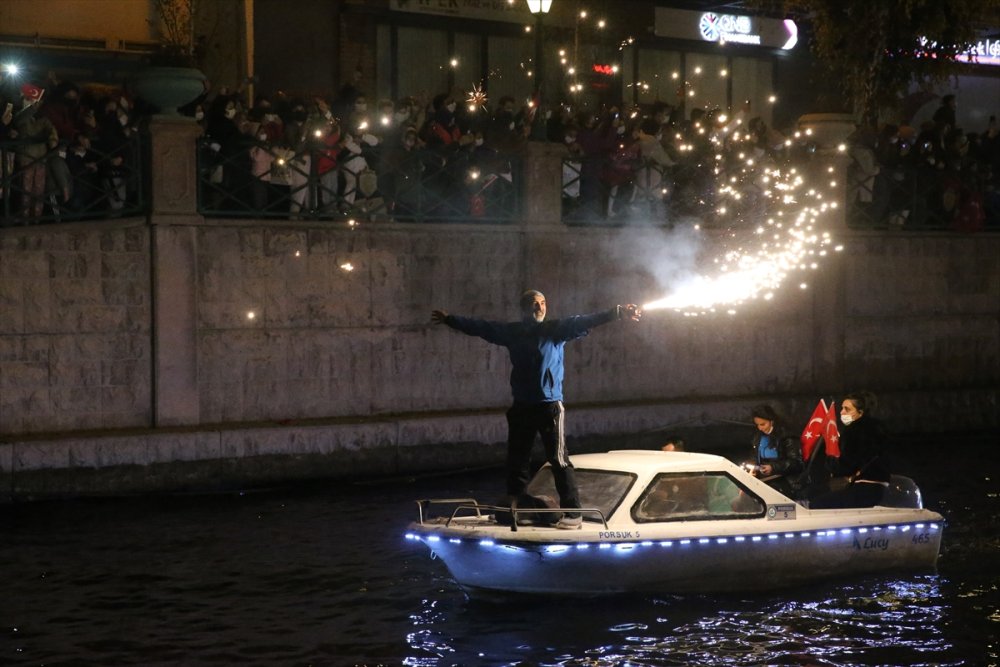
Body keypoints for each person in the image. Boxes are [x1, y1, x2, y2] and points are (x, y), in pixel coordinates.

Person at [431, 290, 641, 529]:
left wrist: (617, 312)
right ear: (524, 309)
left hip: (549, 406)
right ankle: (515, 506)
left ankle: (574, 513)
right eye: (533, 304)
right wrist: (450, 320)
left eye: (542, 303)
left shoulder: (555, 329)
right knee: (517, 460)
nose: (539, 307)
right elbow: (481, 327)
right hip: (522, 406)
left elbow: (586, 320)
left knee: (559, 460)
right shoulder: (513, 332)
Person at [810, 391, 891, 509]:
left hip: (864, 487)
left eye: (847, 409)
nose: (841, 412)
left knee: (817, 504)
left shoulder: (854, 430)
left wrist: (830, 461)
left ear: (860, 412)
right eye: (842, 408)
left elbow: (846, 464)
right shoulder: (879, 429)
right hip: (882, 487)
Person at [749, 404, 803, 498]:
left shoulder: (787, 436)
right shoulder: (758, 437)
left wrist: (773, 467)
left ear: (772, 421)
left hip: (785, 483)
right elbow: (755, 457)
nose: (760, 428)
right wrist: (753, 469)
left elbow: (796, 463)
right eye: (757, 425)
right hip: (764, 481)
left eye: (763, 424)